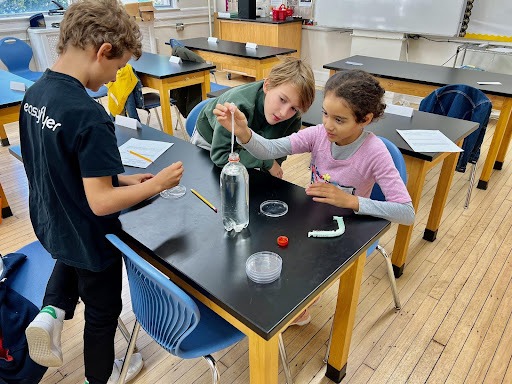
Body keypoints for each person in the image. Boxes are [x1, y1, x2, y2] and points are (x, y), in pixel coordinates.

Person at [19, 1, 184, 383]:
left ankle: (52, 313)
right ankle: (101, 377)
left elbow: (58, 168)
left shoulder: (35, 94)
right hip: (90, 238)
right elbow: (101, 201)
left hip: (50, 220)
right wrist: (157, 185)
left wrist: (124, 180)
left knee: (69, 261)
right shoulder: (89, 115)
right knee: (102, 316)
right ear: (102, 51)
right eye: (117, 67)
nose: (113, 79)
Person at [214, 69, 416, 325]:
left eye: (339, 120)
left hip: (347, 231)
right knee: (271, 246)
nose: (328, 125)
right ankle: (289, 304)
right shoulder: (319, 134)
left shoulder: (375, 153)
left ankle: (298, 305)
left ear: (364, 119)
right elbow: (270, 149)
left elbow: (406, 212)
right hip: (312, 219)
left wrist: (350, 202)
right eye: (325, 114)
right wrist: (243, 132)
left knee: (302, 269)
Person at [191, 56, 316, 178]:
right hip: (209, 141)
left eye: (294, 108)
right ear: (267, 85)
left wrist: (269, 164)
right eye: (282, 99)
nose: (283, 113)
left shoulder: (293, 120)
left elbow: (276, 159)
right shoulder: (238, 105)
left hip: (245, 151)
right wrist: (266, 162)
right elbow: (220, 156)